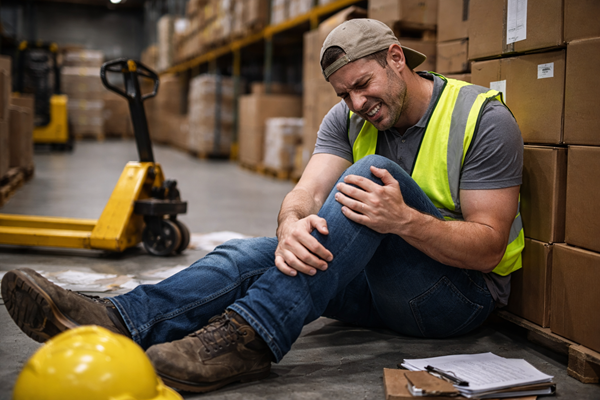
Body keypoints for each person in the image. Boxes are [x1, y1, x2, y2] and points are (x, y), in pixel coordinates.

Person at [1, 19, 524, 394]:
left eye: (362, 87)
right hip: (377, 289)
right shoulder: (347, 119)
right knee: (257, 251)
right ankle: (116, 318)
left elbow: (487, 248)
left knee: (365, 179)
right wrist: (292, 224)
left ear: (395, 58)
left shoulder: (480, 119)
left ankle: (247, 339)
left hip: (455, 298)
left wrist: (405, 219)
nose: (356, 105)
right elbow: (304, 192)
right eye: (344, 95)